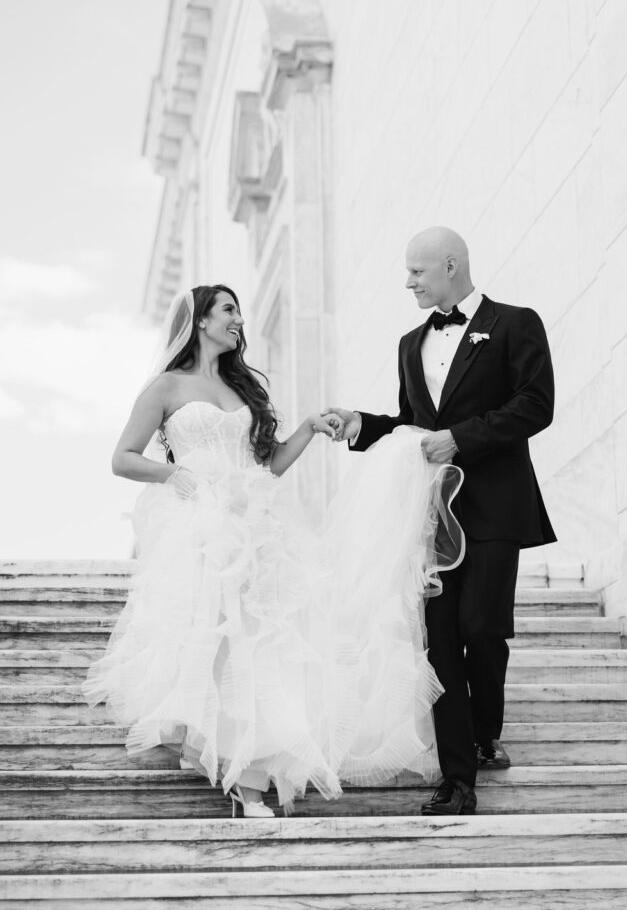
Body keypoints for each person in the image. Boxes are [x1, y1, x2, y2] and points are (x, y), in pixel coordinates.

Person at [83, 282, 464, 816]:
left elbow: (269, 465)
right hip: (202, 529)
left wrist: (309, 427)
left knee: (266, 647)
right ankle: (230, 764)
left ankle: (253, 782)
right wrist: (176, 474)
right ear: (200, 321)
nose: (240, 319)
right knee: (215, 642)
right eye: (229, 310)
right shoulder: (165, 387)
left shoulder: (245, 391)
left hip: (259, 523)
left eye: (239, 310)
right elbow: (123, 458)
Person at [327, 226, 556, 816]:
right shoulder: (409, 343)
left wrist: (462, 438)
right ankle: (457, 778)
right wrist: (361, 423)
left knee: (484, 628)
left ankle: (485, 732)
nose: (408, 282)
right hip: (429, 512)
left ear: (450, 265)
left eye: (416, 271)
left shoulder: (515, 323)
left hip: (497, 504)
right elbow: (413, 425)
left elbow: (536, 404)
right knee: (439, 639)